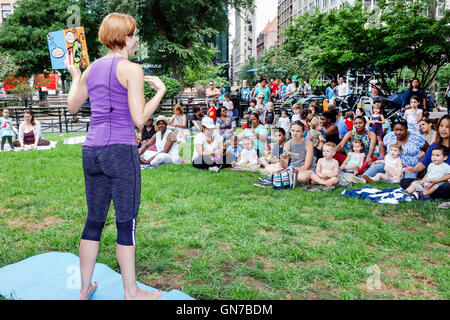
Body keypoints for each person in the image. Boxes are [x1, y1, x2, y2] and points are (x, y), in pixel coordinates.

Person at [65, 13, 166, 300]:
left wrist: (75, 77)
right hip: (120, 152)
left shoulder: (91, 69)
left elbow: (72, 106)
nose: (136, 40)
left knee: (94, 221)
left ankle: (84, 290)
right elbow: (139, 119)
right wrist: (159, 92)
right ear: (124, 37)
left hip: (91, 151)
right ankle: (131, 292)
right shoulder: (131, 69)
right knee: (126, 222)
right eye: (134, 35)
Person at [363, 118, 428, 182]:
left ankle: (395, 180)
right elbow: (382, 145)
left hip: (409, 167)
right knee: (374, 168)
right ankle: (363, 179)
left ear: (407, 129)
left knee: (407, 181)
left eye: (401, 130)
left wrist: (421, 162)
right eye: (396, 130)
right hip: (390, 165)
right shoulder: (389, 137)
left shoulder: (416, 137)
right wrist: (382, 158)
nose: (398, 132)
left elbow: (429, 150)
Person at [403, 115, 450, 199]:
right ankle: (423, 192)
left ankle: (425, 194)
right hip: (431, 177)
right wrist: (413, 169)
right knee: (405, 181)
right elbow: (424, 163)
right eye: (441, 126)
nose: (443, 129)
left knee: (447, 186)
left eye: (447, 127)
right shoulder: (434, 145)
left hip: (444, 180)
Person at [280, 121, 315, 185]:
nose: (295, 133)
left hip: (306, 170)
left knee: (302, 177)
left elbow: (307, 166)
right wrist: (282, 160)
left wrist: (292, 172)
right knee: (270, 168)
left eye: (298, 131)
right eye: (293, 131)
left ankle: (289, 177)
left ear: (303, 132)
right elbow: (284, 165)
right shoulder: (287, 144)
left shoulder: (308, 143)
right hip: (292, 168)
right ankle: (290, 177)